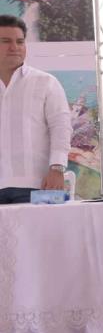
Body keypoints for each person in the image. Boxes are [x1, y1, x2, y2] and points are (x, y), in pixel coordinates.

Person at [0, 15, 72, 204]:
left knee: (41, 235)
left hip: (37, 184)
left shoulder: (46, 82)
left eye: (20, 41)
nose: (14, 47)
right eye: (5, 41)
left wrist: (57, 168)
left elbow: (61, 127)